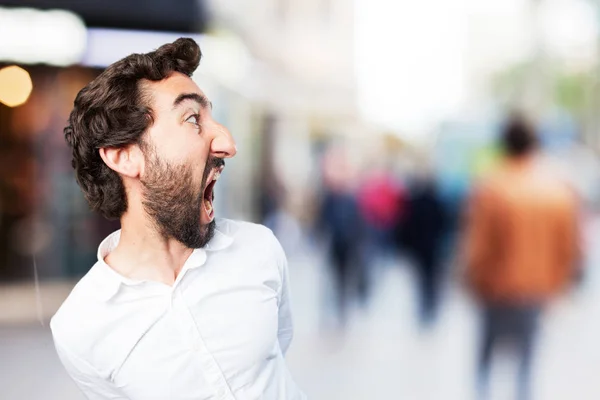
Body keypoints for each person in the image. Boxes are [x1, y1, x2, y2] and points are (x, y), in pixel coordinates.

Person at [50, 38, 306, 400]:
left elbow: (277, 349)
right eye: (192, 119)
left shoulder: (259, 250)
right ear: (124, 157)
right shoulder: (79, 329)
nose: (228, 143)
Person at [463, 113, 581, 400]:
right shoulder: (557, 190)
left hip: (495, 288)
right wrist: (559, 286)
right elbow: (568, 248)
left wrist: (471, 280)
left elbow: (477, 245)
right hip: (536, 290)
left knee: (486, 356)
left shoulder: (491, 187)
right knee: (527, 362)